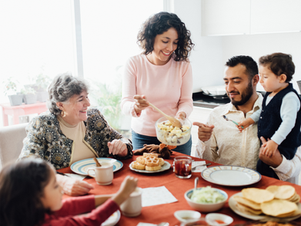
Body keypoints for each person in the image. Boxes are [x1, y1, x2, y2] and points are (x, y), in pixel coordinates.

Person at [18, 73, 133, 196]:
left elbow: (123, 140)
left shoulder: (94, 117)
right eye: (80, 99)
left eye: (87, 97)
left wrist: (123, 147)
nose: (88, 103)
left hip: (105, 185)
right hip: (64, 192)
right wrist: (61, 182)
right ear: (60, 105)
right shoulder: (43, 124)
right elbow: (26, 167)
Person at [193, 55, 301, 184]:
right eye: (226, 82)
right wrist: (205, 140)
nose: (229, 88)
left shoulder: (285, 111)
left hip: (267, 190)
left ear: (255, 80)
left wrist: (278, 163)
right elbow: (204, 164)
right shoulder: (216, 115)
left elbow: (295, 169)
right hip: (226, 187)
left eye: (236, 81)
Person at [121, 12, 195, 155]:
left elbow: (186, 101)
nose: (170, 48)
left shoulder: (183, 65)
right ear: (151, 37)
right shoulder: (134, 63)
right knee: (146, 175)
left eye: (175, 42)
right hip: (143, 136)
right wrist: (135, 107)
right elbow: (125, 104)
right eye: (165, 41)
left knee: (179, 176)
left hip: (176, 137)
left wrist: (180, 116)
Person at [0, 158, 138, 226]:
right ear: (35, 198)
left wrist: (113, 196)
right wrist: (121, 196)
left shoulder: (31, 214)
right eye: (55, 186)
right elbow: (89, 221)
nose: (61, 189)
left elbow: (70, 206)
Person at [237, 53, 301, 179]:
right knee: (263, 168)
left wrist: (275, 142)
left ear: (282, 78)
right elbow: (263, 110)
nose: (260, 81)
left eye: (265, 77)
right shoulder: (270, 93)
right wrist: (249, 120)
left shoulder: (289, 97)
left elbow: (288, 122)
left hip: (283, 145)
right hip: (270, 143)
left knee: (275, 174)